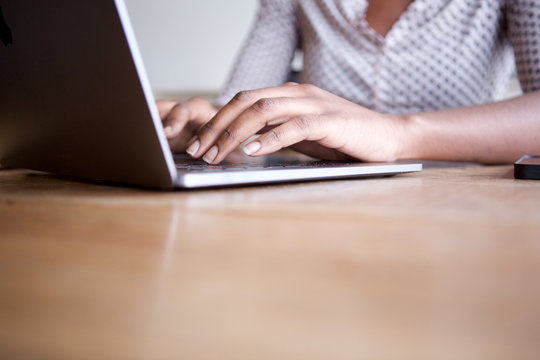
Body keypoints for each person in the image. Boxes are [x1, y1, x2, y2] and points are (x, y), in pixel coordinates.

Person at [157, 0, 540, 165]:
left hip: (465, 211)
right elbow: (245, 100)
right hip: (321, 207)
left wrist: (396, 135)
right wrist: (209, 125)